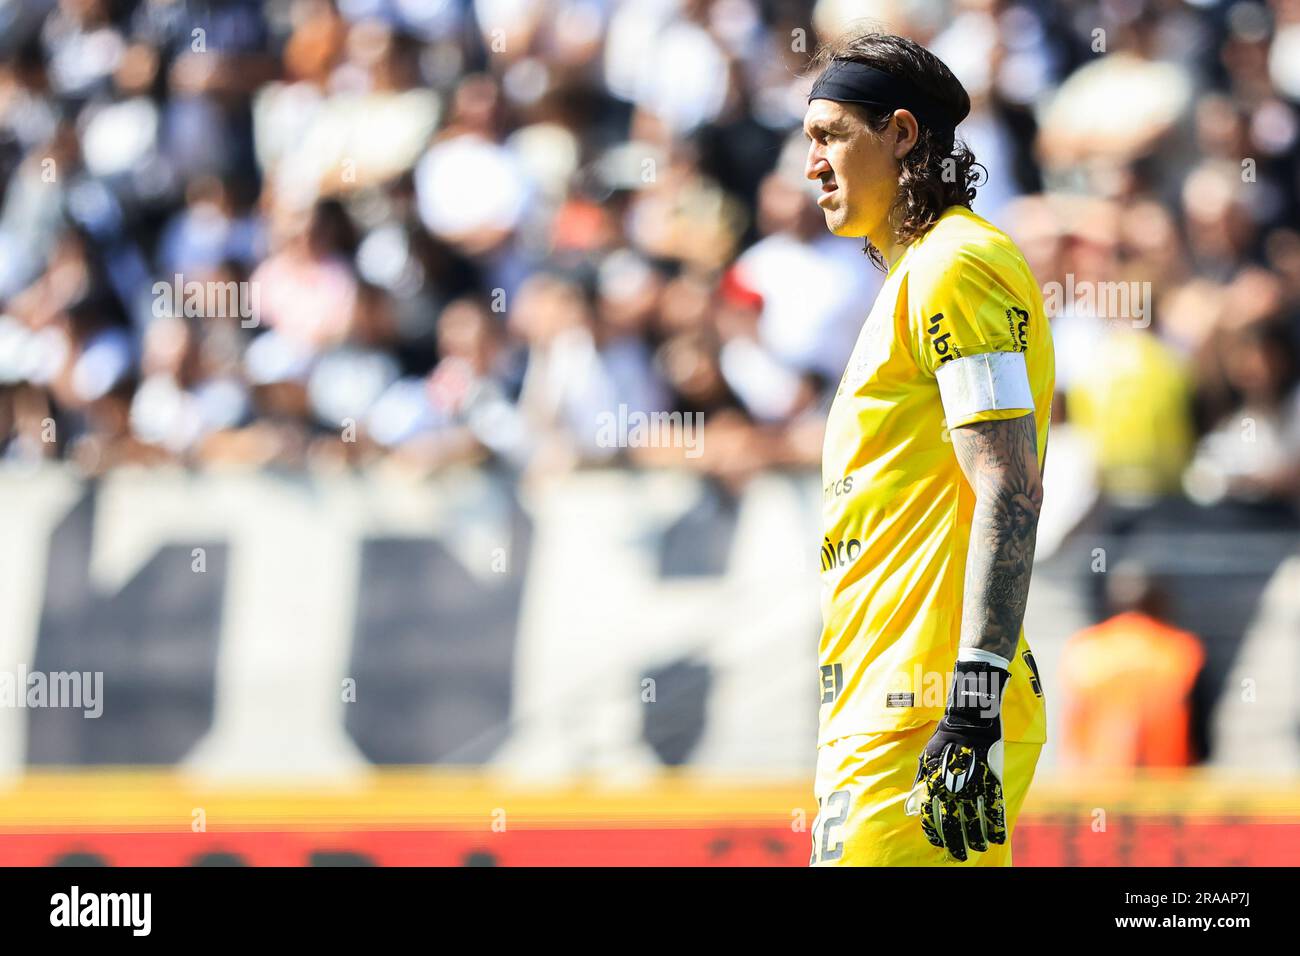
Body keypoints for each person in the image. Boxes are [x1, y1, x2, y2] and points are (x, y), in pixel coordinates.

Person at [805, 31, 1053, 866]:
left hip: (924, 709)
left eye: (831, 134)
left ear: (903, 135)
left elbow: (1008, 488)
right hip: (889, 702)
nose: (813, 164)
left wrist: (973, 702)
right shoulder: (917, 275)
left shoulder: (956, 263)